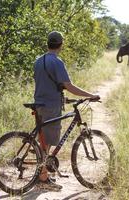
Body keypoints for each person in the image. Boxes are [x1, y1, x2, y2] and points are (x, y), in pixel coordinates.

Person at [33, 31, 99, 188]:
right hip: (50, 106)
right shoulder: (57, 62)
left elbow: (45, 84)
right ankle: (42, 180)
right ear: (61, 44)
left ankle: (42, 173)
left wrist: (62, 97)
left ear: (47, 43)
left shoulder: (38, 61)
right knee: (47, 143)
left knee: (44, 141)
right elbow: (68, 86)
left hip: (39, 103)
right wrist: (90, 95)